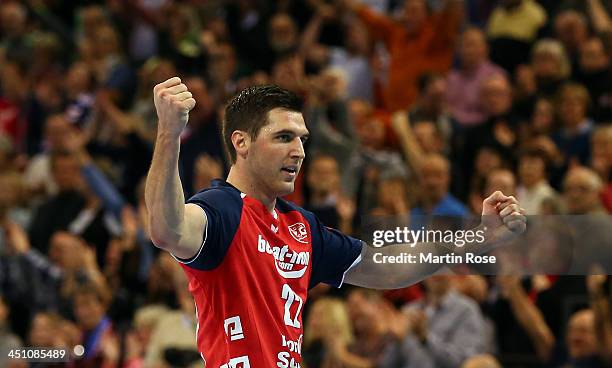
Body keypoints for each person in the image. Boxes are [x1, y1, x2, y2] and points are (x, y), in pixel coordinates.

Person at [144, 77, 526, 366]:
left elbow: (385, 269)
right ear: (240, 143)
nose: (298, 152)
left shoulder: (302, 227)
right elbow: (167, 228)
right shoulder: (220, 209)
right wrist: (169, 133)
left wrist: (477, 239)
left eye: (302, 140)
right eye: (283, 137)